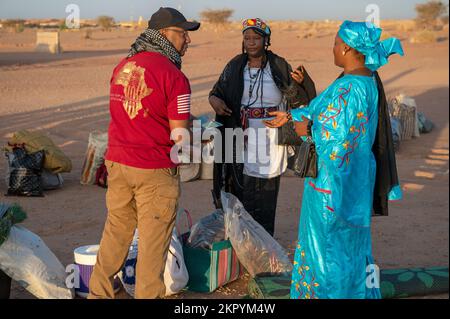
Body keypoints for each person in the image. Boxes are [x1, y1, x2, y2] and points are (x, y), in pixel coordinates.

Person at [265, 20, 404, 298]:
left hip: (333, 187)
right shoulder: (364, 81)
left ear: (348, 48)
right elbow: (322, 108)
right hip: (354, 182)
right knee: (350, 245)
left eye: (335, 44)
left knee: (329, 249)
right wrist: (291, 116)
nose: (333, 49)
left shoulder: (351, 87)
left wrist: (308, 131)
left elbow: (340, 140)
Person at [88, 7, 200, 299]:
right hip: (153, 169)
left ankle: (97, 293)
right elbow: (179, 136)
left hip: (118, 163)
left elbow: (126, 114)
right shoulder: (174, 76)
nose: (187, 40)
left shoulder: (124, 65)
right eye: (182, 33)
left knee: (116, 233)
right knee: (153, 245)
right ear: (163, 35)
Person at [209, 18, 316, 236]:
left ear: (265, 40)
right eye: (247, 38)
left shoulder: (278, 66)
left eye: (256, 38)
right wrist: (214, 101)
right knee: (241, 188)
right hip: (240, 134)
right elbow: (216, 92)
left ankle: (265, 242)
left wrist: (300, 84)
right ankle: (244, 244)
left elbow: (299, 102)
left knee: (267, 191)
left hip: (270, 137)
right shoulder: (234, 65)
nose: (251, 42)